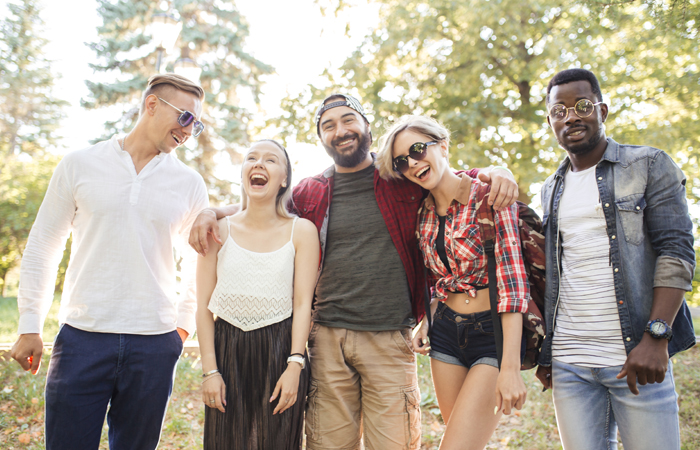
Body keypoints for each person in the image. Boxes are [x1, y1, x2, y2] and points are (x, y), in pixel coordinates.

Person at [188, 93, 520, 450]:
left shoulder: (401, 178)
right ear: (322, 140)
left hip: (390, 339)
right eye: (328, 126)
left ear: (366, 127)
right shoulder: (310, 191)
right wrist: (213, 212)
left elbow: (443, 176)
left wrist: (492, 172)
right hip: (328, 341)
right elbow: (263, 208)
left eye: (348, 120)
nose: (340, 130)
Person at [10, 73, 209, 450]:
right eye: (185, 117)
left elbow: (200, 263)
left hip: (154, 344)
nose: (189, 130)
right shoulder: (79, 164)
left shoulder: (189, 183)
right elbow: (43, 246)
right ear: (152, 105)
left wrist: (181, 328)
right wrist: (30, 323)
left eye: (196, 124)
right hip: (82, 338)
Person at [535, 68, 696, 450]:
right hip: (570, 364)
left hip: (636, 358)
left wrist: (656, 337)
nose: (571, 116)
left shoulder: (649, 165)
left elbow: (677, 251)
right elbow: (555, 274)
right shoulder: (550, 188)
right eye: (559, 110)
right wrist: (547, 352)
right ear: (550, 121)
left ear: (602, 110)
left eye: (582, 106)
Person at [375, 115, 529, 450]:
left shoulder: (488, 196)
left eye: (418, 150)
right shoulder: (423, 213)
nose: (413, 163)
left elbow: (513, 285)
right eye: (402, 161)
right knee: (464, 442)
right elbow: (441, 277)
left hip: (492, 336)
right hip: (445, 335)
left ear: (442, 145)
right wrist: (427, 318)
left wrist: (511, 367)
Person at [195, 139, 319, 450]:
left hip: (280, 350)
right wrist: (210, 370)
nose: (259, 163)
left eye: (271, 160)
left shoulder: (302, 231)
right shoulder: (217, 230)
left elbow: (303, 303)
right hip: (226, 349)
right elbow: (202, 307)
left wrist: (295, 364)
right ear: (243, 172)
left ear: (284, 179)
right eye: (252, 157)